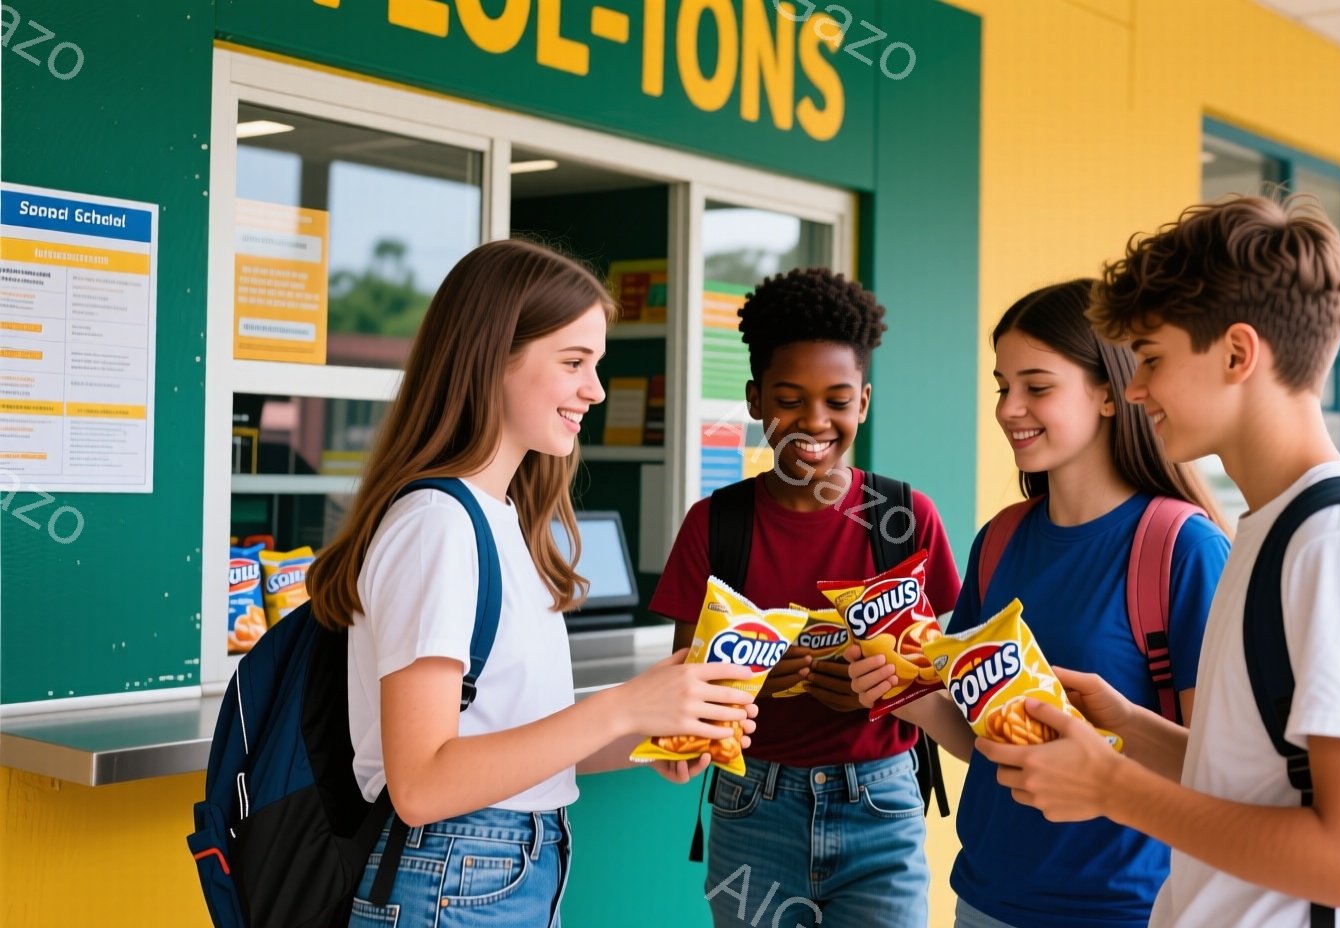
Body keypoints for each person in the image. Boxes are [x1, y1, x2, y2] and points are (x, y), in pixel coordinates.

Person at [978, 196, 1340, 927]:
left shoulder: (1336, 546)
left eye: (1151, 359)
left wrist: (1110, 788)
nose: (1133, 389)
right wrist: (1128, 724)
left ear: (1236, 354)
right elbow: (1267, 783)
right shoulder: (1277, 529)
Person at [307, 239, 758, 928]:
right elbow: (422, 784)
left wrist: (654, 727)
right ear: (492, 358)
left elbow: (510, 736)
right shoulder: (438, 526)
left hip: (493, 869)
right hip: (453, 874)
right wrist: (623, 707)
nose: (596, 390)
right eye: (573, 362)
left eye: (596, 364)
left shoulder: (501, 518)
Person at [849, 279, 1231, 928]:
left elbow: (1221, 769)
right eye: (1002, 385)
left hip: (1129, 912)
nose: (1007, 408)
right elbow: (987, 742)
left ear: (1110, 391)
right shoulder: (999, 539)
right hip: (984, 901)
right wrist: (905, 694)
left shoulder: (1184, 549)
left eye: (1037, 385)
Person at [649, 267, 961, 928]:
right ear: (755, 400)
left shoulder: (904, 518)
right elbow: (684, 695)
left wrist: (887, 687)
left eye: (837, 400)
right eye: (789, 398)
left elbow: (945, 675)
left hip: (881, 803)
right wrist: (751, 684)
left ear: (865, 403)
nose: (814, 422)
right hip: (751, 804)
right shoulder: (716, 524)